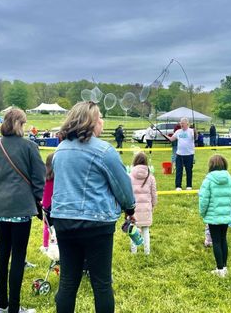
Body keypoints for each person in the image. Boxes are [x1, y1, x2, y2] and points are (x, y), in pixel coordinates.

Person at [50, 101, 136, 313]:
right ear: (91, 122)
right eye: (99, 117)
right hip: (97, 223)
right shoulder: (104, 150)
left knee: (68, 283)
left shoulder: (60, 150)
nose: (102, 121)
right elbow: (122, 186)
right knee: (102, 284)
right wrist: (130, 208)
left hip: (64, 221)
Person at [0, 108, 45, 313]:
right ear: (19, 123)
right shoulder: (30, 147)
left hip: (0, 208)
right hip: (21, 208)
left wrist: (0, 199)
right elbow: (39, 181)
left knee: (2, 254)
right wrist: (39, 203)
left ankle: (2, 306)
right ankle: (14, 308)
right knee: (18, 256)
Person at [198, 155, 231, 277]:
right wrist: (230, 209)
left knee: (216, 241)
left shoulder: (208, 180)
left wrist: (202, 212)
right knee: (223, 239)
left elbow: (203, 199)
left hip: (213, 217)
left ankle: (220, 269)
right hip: (225, 215)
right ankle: (224, 267)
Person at [128, 152, 157, 255]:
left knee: (132, 230)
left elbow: (127, 193)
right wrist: (153, 205)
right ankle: (147, 251)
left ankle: (134, 251)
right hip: (146, 208)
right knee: (145, 230)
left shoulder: (129, 176)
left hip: (133, 209)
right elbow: (154, 194)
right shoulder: (151, 177)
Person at [167, 118, 196, 191]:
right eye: (181, 123)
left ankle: (189, 185)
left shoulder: (191, 131)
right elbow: (171, 139)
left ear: (187, 123)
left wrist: (195, 132)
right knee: (179, 170)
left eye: (183, 123)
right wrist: (165, 135)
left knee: (189, 170)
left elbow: (195, 137)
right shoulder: (178, 132)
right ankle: (178, 186)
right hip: (179, 154)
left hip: (189, 154)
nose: (181, 124)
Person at [42, 153, 55, 251]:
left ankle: (45, 245)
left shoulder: (44, 176)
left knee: (46, 225)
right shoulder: (57, 176)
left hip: (46, 203)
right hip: (55, 202)